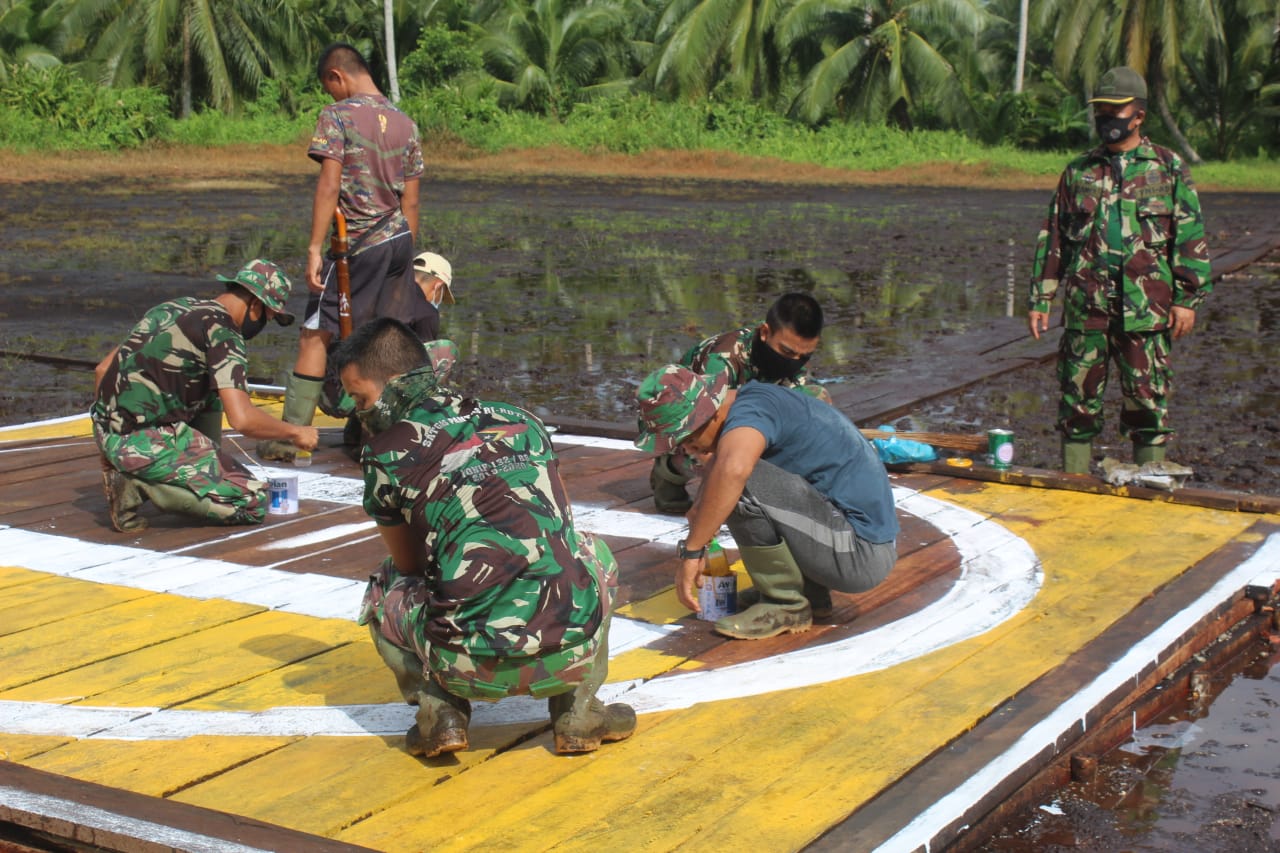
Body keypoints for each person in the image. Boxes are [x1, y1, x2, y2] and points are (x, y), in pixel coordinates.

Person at [331, 318, 635, 758]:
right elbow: (559, 526)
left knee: (386, 585)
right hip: (566, 647)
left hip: (466, 666)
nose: (359, 410)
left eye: (361, 398)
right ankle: (579, 712)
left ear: (395, 385)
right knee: (591, 551)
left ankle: (441, 712)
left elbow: (409, 566)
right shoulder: (520, 419)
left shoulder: (384, 453)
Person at [1028, 66, 1212, 475]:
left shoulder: (1167, 168)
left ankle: (1151, 488)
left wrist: (1188, 299)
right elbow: (1054, 238)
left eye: (1116, 111)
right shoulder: (1079, 171)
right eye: (1101, 111)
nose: (1107, 120)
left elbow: (1190, 236)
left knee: (1147, 403)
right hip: (1086, 309)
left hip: (1146, 313)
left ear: (1139, 115)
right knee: (1077, 402)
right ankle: (1074, 485)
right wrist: (1041, 298)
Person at [634, 364, 899, 641]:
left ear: (709, 414)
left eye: (686, 438)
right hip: (853, 542)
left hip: (860, 554)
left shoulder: (752, 414)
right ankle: (809, 593)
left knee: (738, 481)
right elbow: (715, 482)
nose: (686, 449)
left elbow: (733, 471)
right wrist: (699, 515)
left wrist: (692, 552)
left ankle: (784, 604)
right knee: (726, 478)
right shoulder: (751, 402)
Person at [258, 42, 430, 462]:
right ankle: (369, 432)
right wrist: (404, 255)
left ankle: (291, 437)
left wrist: (315, 247)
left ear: (337, 75)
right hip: (398, 242)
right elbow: (411, 201)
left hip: (357, 242)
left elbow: (329, 186)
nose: (330, 96)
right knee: (381, 334)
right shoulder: (405, 122)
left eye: (329, 87)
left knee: (315, 334)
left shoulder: (337, 116)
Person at [93, 259, 320, 533]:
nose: (263, 325)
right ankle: (137, 486)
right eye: (268, 318)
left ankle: (174, 471)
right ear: (256, 306)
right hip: (144, 440)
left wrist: (106, 445)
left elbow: (103, 369)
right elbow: (242, 419)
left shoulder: (174, 307)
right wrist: (294, 432)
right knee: (252, 502)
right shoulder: (223, 333)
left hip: (110, 431)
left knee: (214, 391)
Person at [649, 291, 830, 514]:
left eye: (803, 356)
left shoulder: (791, 349)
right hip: (693, 429)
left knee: (817, 401)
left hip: (749, 414)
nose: (794, 361)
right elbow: (705, 429)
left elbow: (799, 405)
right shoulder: (721, 360)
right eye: (786, 352)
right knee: (722, 455)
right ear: (765, 332)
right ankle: (669, 468)